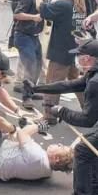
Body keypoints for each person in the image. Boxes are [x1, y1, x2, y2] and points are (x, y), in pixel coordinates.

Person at [24, 39, 98, 195]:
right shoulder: (94, 73)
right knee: (90, 145)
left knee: (83, 150)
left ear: (88, 58)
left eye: (79, 55)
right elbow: (69, 85)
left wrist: (61, 111)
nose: (76, 59)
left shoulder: (95, 82)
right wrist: (36, 88)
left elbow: (87, 120)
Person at [36, 0, 85, 124]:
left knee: (52, 84)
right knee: (78, 83)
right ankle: (90, 109)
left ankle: (49, 115)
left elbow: (40, 7)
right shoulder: (79, 5)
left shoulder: (63, 5)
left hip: (60, 52)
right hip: (74, 51)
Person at [0, 112, 74, 181]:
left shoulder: (39, 158)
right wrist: (23, 128)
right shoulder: (45, 168)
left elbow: (22, 134)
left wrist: (39, 126)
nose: (60, 144)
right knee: (0, 116)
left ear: (56, 158)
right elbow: (21, 150)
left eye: (61, 147)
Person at [14, 0, 54, 109]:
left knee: (37, 65)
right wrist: (33, 17)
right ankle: (26, 97)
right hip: (24, 36)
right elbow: (17, 14)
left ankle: (31, 91)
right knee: (31, 66)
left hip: (34, 37)